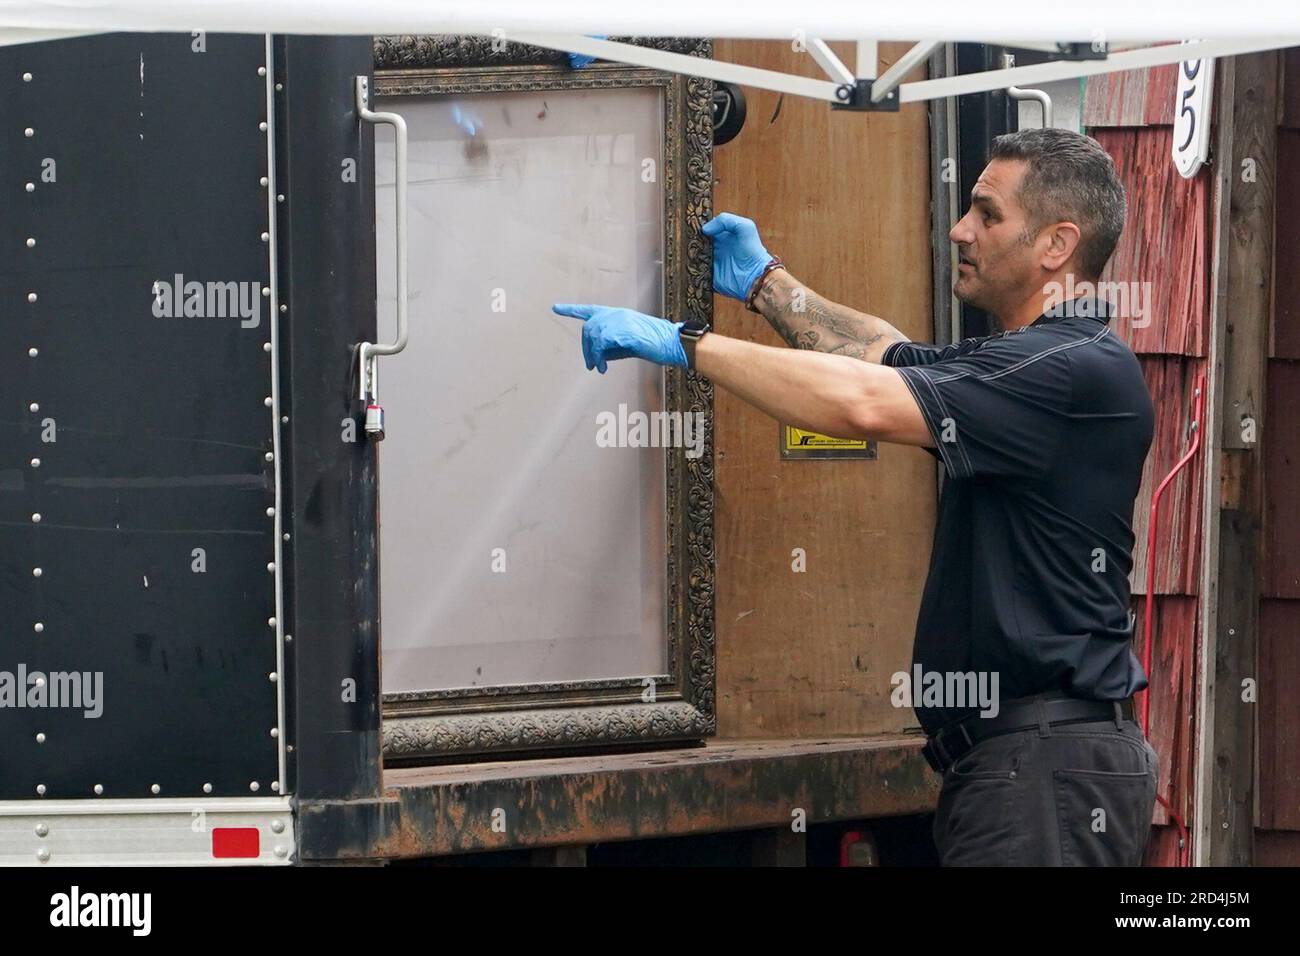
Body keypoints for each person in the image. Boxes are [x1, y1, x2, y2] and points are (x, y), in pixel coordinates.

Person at [554, 127, 1158, 866]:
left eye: (987, 214)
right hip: (1023, 765)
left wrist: (686, 344)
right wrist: (764, 284)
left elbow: (864, 402)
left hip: (1042, 772)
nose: (961, 230)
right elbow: (882, 354)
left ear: (1057, 245)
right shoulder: (1029, 363)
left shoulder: (1068, 371)